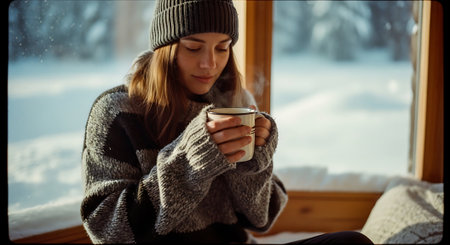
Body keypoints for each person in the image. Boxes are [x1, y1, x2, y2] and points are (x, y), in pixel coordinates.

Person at [80, 0, 373, 244]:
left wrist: (255, 164)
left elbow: (262, 220)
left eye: (222, 48)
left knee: (353, 243)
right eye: (193, 48)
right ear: (165, 49)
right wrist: (189, 161)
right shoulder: (117, 111)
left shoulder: (236, 102)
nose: (210, 63)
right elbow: (107, 231)